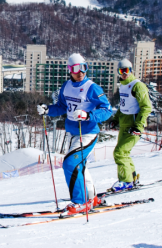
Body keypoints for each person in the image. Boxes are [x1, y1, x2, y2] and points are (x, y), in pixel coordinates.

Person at [37, 53, 112, 216]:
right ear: (69, 70)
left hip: (88, 133)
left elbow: (107, 110)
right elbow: (62, 107)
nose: (80, 72)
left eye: (83, 67)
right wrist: (48, 110)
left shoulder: (92, 88)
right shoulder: (66, 86)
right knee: (80, 166)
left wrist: (88, 115)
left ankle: (80, 202)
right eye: (75, 68)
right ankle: (91, 198)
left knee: (70, 164)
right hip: (72, 133)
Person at [109, 59, 152, 192]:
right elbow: (123, 106)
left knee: (119, 152)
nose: (124, 74)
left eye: (126, 70)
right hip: (124, 123)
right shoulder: (123, 86)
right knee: (124, 152)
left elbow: (146, 107)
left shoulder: (137, 86)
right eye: (121, 71)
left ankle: (126, 181)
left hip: (133, 125)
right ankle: (132, 178)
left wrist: (139, 126)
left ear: (131, 70)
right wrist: (115, 119)